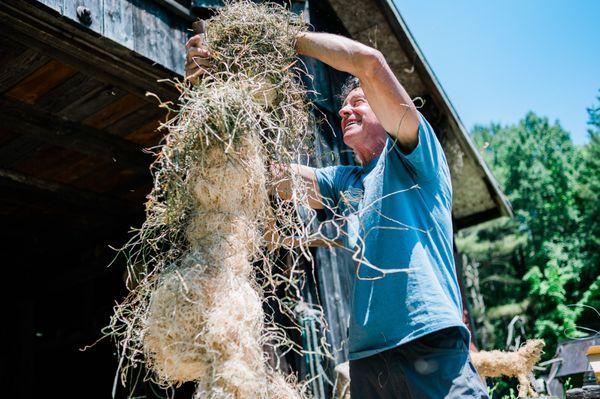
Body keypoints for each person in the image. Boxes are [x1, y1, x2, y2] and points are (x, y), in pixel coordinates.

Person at [186, 28, 489, 399]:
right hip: (367, 359)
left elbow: (369, 62)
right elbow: (270, 175)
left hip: (428, 341)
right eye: (345, 105)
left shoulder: (415, 156)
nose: (345, 109)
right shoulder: (347, 180)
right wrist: (217, 91)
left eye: (359, 101)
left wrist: (277, 36)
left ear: (385, 107)